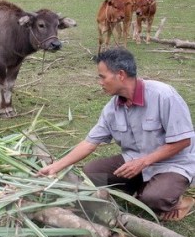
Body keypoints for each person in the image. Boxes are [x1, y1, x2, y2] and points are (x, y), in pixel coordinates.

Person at [38, 48, 195, 221]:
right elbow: (90, 143)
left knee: (154, 198)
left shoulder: (164, 96)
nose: (100, 82)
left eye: (102, 76)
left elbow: (182, 141)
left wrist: (143, 162)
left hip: (172, 163)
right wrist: (56, 166)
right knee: (92, 172)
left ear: (120, 75)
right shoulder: (112, 108)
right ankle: (144, 188)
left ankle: (175, 200)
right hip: (135, 160)